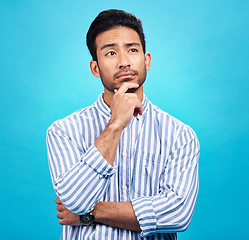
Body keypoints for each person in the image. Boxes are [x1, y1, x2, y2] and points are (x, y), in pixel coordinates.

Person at [46, 9, 200, 240]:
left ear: (146, 60)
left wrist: (90, 214)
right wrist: (116, 124)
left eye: (133, 50)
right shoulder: (64, 131)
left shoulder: (180, 135)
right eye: (110, 53)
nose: (124, 62)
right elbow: (76, 200)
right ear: (95, 68)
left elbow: (178, 214)